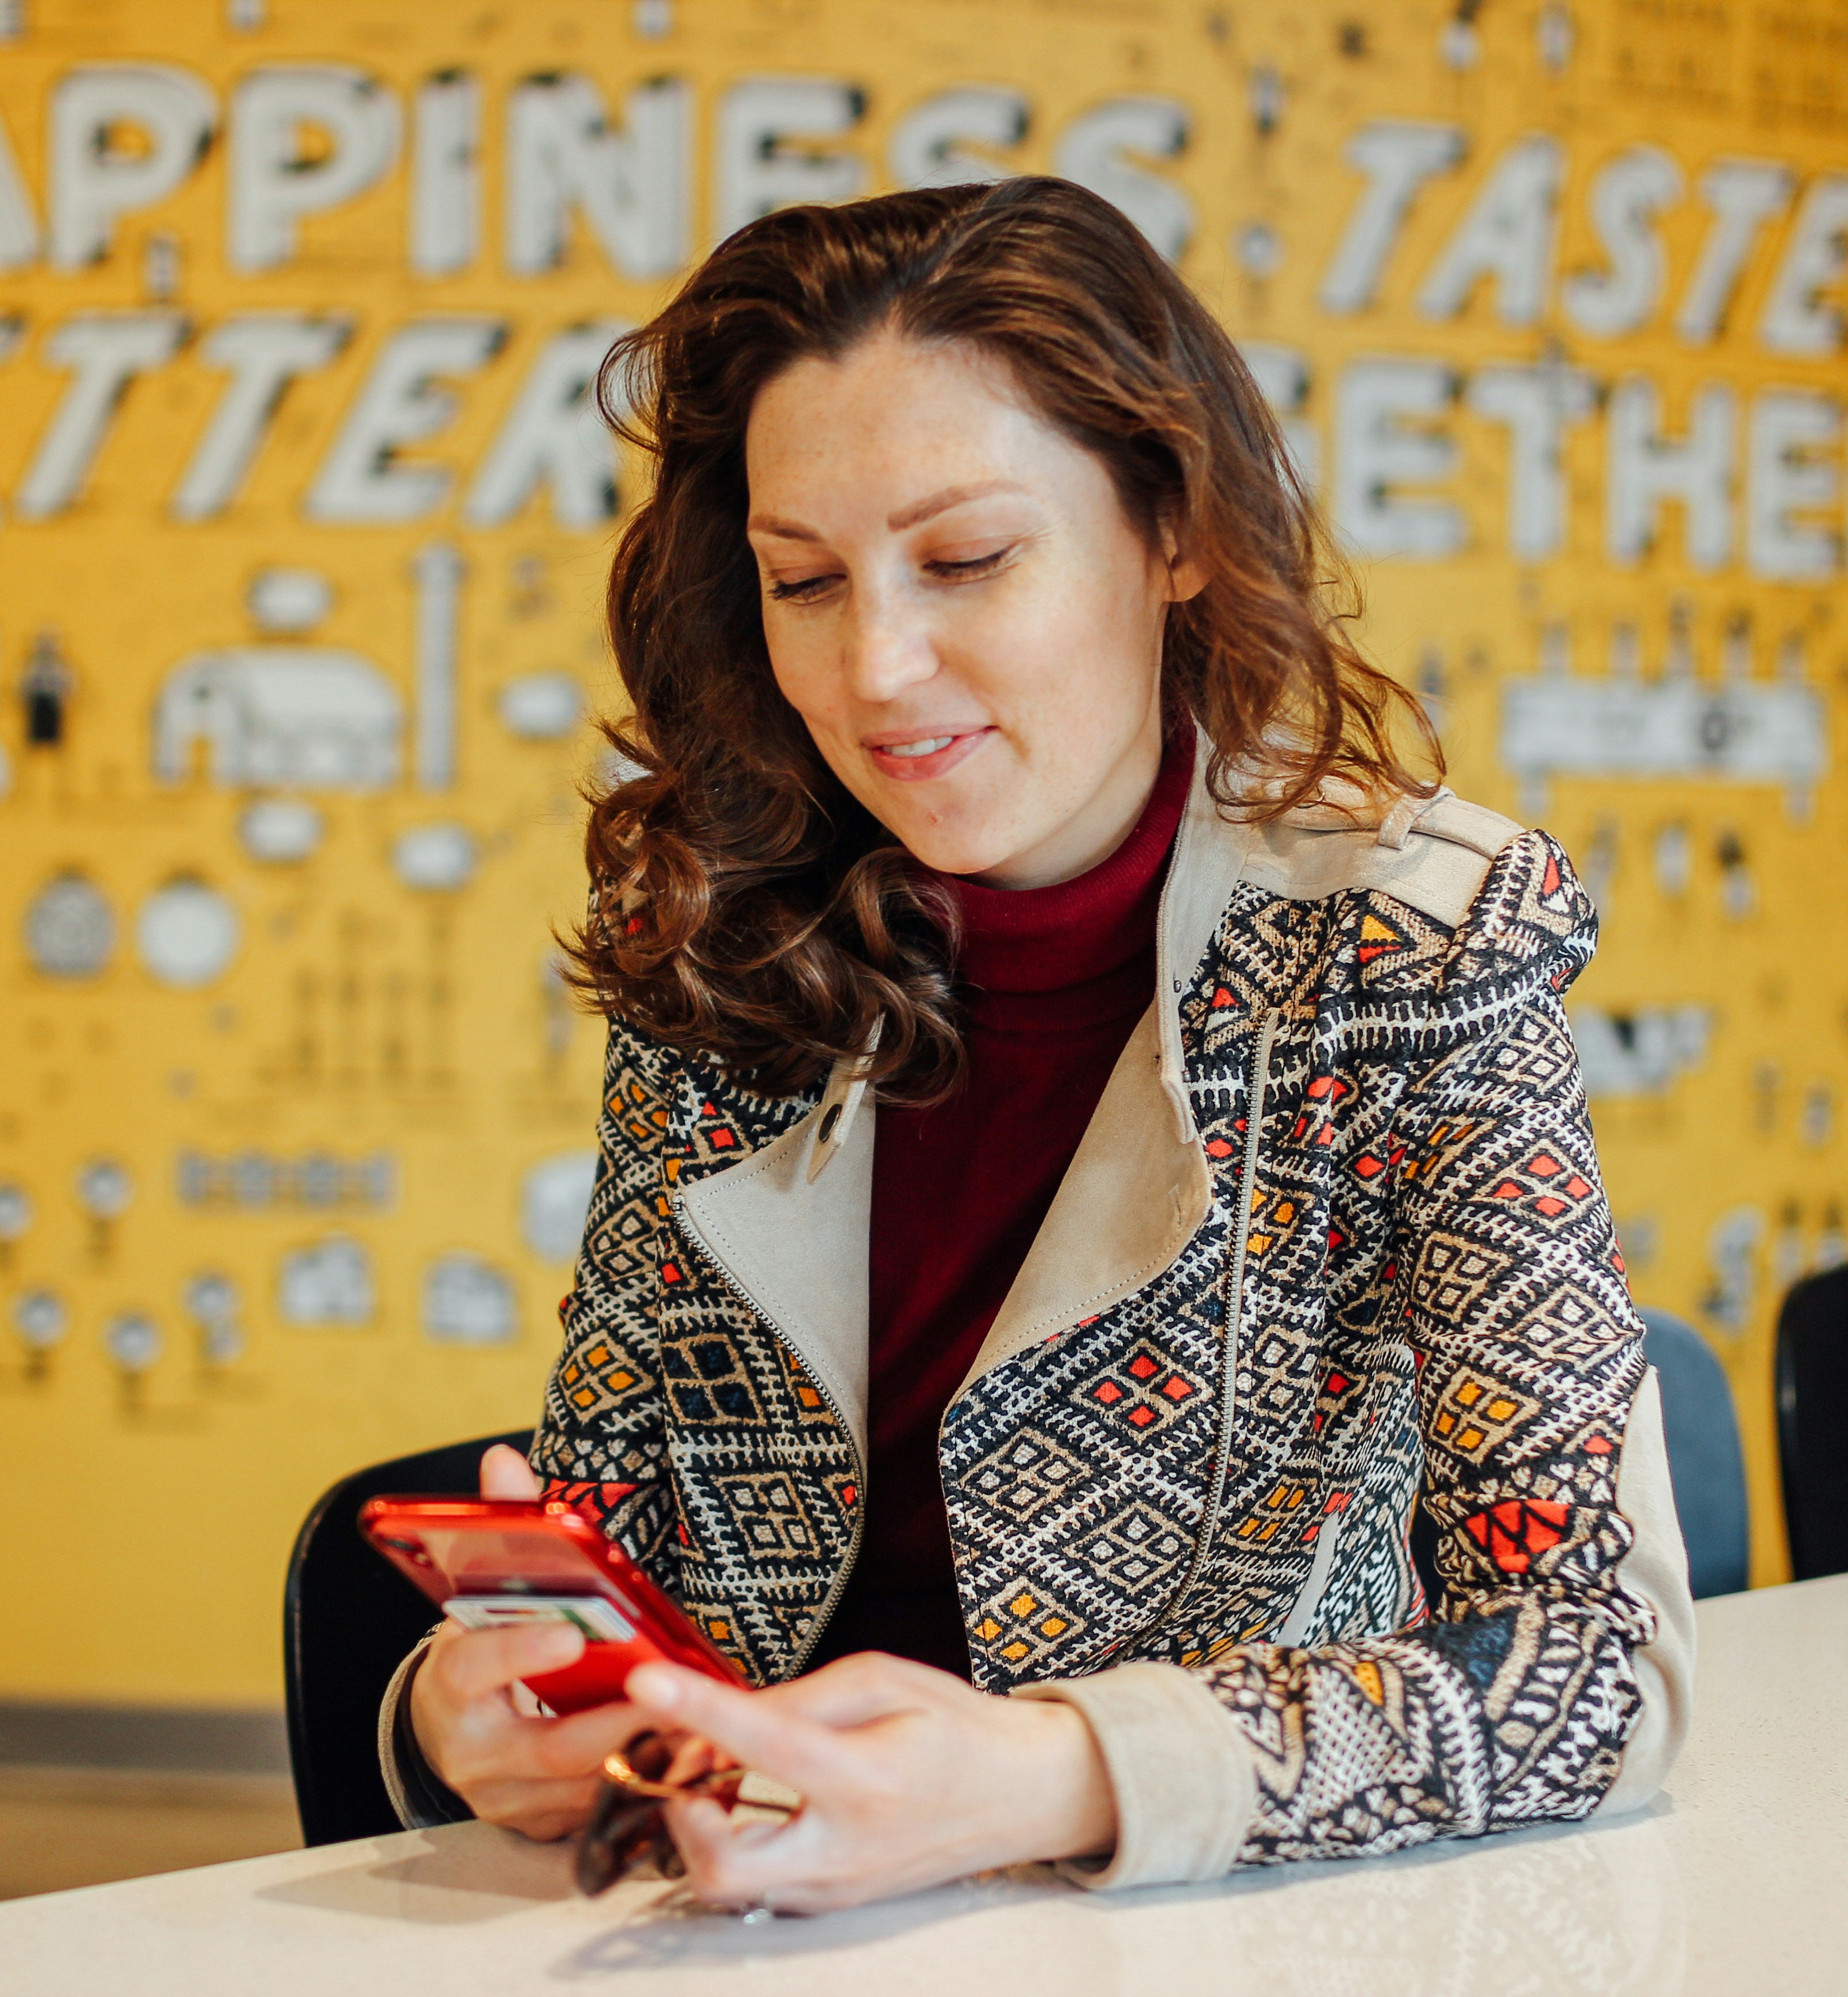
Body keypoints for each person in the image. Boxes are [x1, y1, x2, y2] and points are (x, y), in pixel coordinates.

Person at [386, 177, 1692, 1913]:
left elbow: (1601, 1675)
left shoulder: (1413, 945)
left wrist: (1055, 1772)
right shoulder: (723, 952)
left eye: (968, 558)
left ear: (1177, 529)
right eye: (803, 582)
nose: (878, 668)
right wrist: (474, 1711)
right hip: (772, 1923)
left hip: (1196, 1927)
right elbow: (634, 1552)